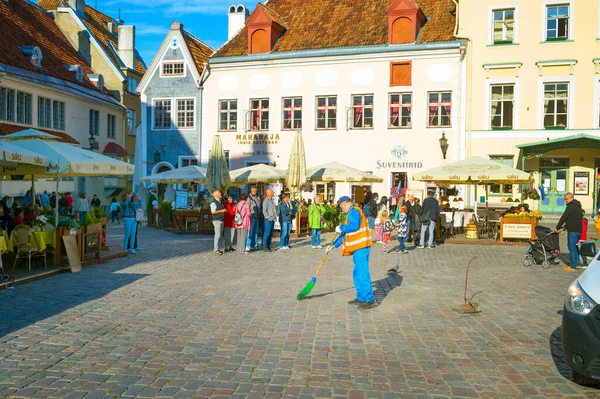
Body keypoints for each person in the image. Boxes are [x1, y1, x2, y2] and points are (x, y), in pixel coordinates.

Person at [327, 196, 376, 310]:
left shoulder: (354, 211)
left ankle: (369, 299)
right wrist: (334, 245)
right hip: (358, 247)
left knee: (362, 273)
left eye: (341, 207)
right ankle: (360, 297)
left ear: (344, 204)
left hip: (362, 246)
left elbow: (354, 226)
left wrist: (342, 227)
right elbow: (345, 234)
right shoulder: (350, 213)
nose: (341, 209)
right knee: (356, 273)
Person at [556, 192, 584, 271]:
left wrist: (558, 227)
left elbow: (564, 217)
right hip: (578, 230)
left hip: (573, 231)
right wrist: (566, 226)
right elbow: (573, 218)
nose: (565, 201)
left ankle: (572, 266)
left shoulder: (570, 207)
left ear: (571, 198)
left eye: (566, 199)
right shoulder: (578, 206)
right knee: (575, 247)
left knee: (571, 247)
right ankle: (577, 264)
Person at [210, 190, 226, 255]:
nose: (221, 195)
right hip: (216, 220)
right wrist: (221, 211)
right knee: (217, 235)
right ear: (216, 195)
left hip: (221, 219)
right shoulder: (213, 203)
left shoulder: (220, 202)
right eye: (220, 194)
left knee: (219, 235)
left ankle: (217, 248)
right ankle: (216, 249)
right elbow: (213, 212)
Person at [247, 187, 261, 252]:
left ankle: (254, 245)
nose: (254, 191)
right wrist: (249, 216)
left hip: (257, 216)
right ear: (251, 190)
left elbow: (259, 207)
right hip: (252, 216)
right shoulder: (249, 198)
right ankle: (248, 245)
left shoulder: (257, 197)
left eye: (255, 190)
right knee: (250, 232)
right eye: (253, 190)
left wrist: (259, 201)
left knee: (255, 232)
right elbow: (247, 207)